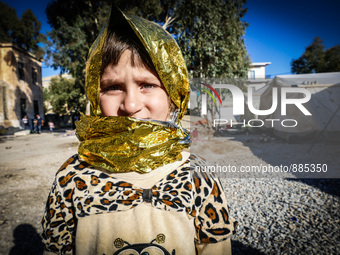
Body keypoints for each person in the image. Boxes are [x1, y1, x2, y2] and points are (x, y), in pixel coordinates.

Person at [41, 6, 236, 255]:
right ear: (94, 95)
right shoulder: (72, 178)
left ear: (174, 94)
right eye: (112, 87)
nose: (131, 105)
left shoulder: (197, 176)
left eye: (147, 85)